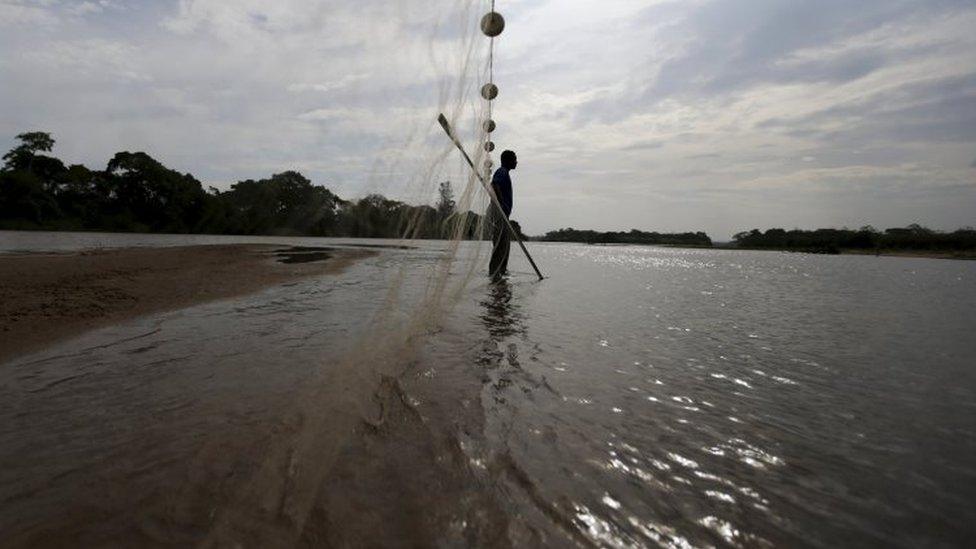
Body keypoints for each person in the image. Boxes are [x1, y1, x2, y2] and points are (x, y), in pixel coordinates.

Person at [488, 150, 517, 279]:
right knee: (500, 245)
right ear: (508, 161)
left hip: (503, 214)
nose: (516, 162)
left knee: (505, 245)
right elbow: (494, 185)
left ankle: (501, 272)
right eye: (514, 159)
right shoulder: (502, 171)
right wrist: (501, 205)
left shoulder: (505, 173)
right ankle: (494, 274)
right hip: (499, 214)